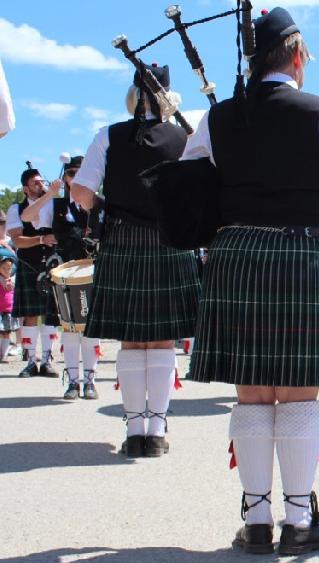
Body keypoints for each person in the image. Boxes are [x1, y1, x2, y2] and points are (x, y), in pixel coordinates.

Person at [181, 7, 319, 554]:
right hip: (305, 252)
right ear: (296, 55)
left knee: (252, 391)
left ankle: (257, 520)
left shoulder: (216, 118)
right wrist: (316, 214)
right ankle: (297, 521)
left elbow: (192, 186)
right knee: (295, 392)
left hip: (237, 254)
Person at [72, 63, 200, 458]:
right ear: (168, 98)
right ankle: (157, 430)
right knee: (162, 337)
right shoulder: (184, 138)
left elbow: (80, 192)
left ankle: (133, 430)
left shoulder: (107, 135)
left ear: (134, 97)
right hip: (169, 240)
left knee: (132, 339)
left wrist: (115, 206)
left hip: (124, 239)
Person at [21, 156, 103, 400]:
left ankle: (90, 380)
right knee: (68, 329)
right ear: (65, 178)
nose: (76, 178)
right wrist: (50, 194)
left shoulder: (101, 205)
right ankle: (73, 382)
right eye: (71, 174)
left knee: (91, 330)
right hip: (63, 274)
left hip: (93, 272)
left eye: (81, 173)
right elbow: (27, 217)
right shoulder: (55, 206)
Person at [6, 167, 60, 378]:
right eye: (35, 183)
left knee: (51, 315)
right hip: (30, 266)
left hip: (53, 266)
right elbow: (17, 240)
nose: (41, 184)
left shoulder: (55, 205)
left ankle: (46, 361)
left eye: (42, 181)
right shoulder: (15, 209)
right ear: (25, 188)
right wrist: (40, 239)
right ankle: (30, 362)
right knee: (30, 316)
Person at [0, 257, 16, 360]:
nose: (6, 270)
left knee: (7, 333)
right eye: (3, 268)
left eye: (9, 268)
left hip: (8, 310)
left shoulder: (13, 280)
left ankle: (3, 355)